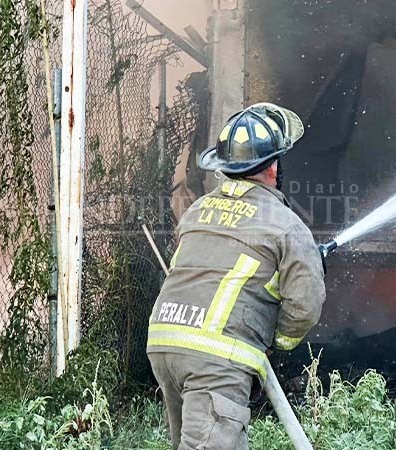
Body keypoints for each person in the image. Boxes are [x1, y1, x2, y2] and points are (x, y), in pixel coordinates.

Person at [146, 103, 327, 450]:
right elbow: (304, 306)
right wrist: (276, 343)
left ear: (225, 167)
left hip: (165, 342)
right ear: (273, 167)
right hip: (214, 357)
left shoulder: (198, 210)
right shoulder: (286, 224)